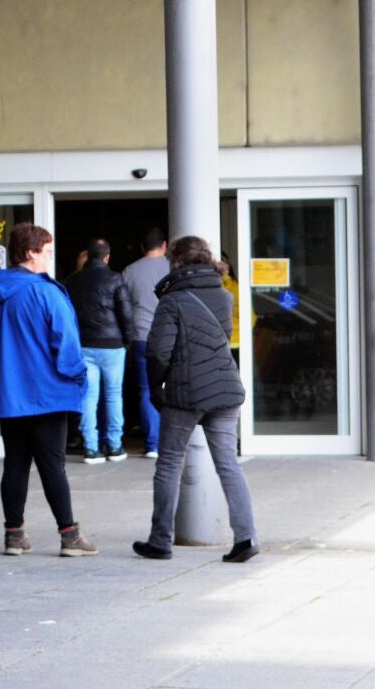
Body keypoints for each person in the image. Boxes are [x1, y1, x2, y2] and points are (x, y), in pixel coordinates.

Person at [0, 222, 98, 558]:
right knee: (52, 465)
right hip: (47, 393)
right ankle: (70, 536)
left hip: (8, 394)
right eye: (47, 251)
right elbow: (67, 345)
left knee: (15, 463)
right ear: (31, 253)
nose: (50, 258)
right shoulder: (46, 292)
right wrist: (78, 378)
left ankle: (14, 535)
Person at [132, 235, 259, 564]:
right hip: (224, 387)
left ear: (175, 262)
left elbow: (158, 352)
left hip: (185, 392)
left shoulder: (172, 300)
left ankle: (160, 540)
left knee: (170, 463)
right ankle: (246, 537)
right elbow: (223, 337)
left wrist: (156, 387)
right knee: (228, 464)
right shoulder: (223, 295)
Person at [63, 238, 135, 464]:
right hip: (113, 346)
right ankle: (114, 446)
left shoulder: (72, 280)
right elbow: (126, 312)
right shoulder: (115, 278)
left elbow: (67, 315)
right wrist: (128, 340)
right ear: (107, 257)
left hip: (84, 345)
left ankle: (91, 448)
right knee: (113, 395)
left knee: (88, 396)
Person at [122, 227, 170, 458]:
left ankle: (153, 444)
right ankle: (174, 441)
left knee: (146, 390)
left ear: (142, 247)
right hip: (169, 335)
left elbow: (124, 306)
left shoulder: (130, 271)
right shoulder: (173, 267)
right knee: (175, 387)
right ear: (165, 245)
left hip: (141, 335)